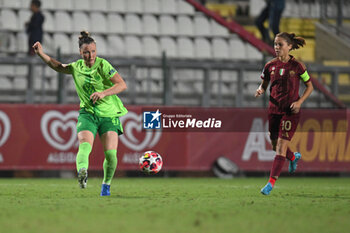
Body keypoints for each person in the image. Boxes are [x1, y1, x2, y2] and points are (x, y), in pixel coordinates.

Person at [32, 31, 128, 196]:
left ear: (96, 51)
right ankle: (82, 171)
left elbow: (121, 85)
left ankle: (106, 185)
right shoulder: (76, 67)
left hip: (109, 114)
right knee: (84, 145)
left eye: (93, 51)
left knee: (111, 155)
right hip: (88, 113)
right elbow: (58, 66)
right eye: (86, 52)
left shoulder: (103, 65)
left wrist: (104, 93)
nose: (90, 55)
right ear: (80, 53)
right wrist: (41, 54)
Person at [255, 32, 313, 195]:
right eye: (275, 44)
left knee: (281, 146)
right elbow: (264, 83)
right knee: (274, 145)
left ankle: (270, 183)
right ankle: (293, 157)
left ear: (289, 46)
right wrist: (260, 90)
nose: (276, 47)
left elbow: (310, 86)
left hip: (290, 112)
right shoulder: (270, 66)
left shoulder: (298, 66)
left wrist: (299, 102)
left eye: (280, 44)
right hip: (274, 110)